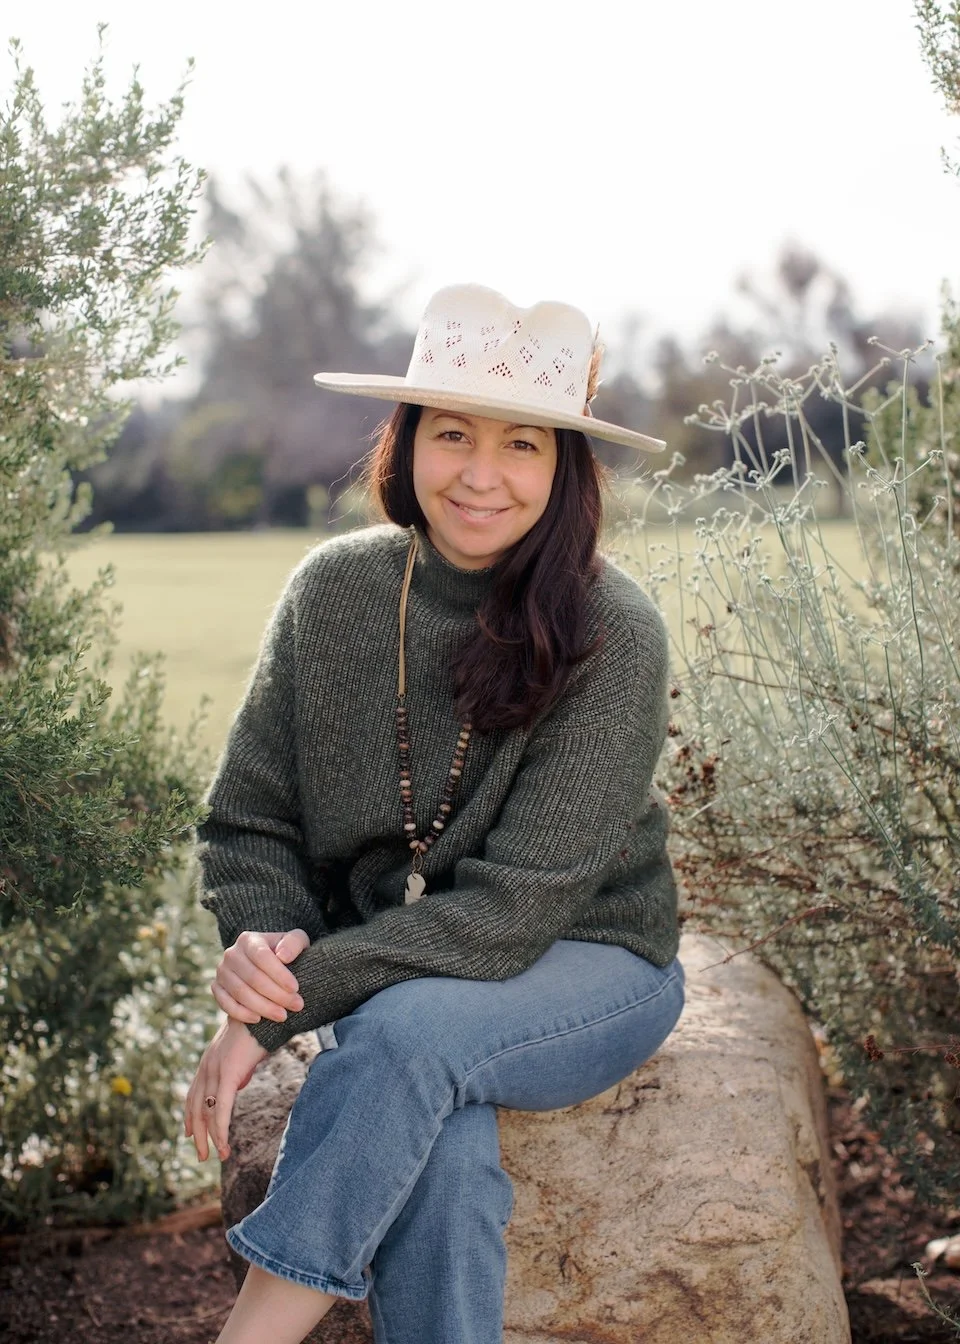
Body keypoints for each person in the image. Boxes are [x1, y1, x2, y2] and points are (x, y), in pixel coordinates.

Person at [184, 282, 686, 1344]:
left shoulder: (614, 635)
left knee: (407, 1033)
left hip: (588, 959)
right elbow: (250, 822)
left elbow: (510, 915)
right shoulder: (335, 594)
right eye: (452, 434)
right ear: (407, 442)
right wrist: (264, 950)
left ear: (564, 471)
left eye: (524, 447)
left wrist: (281, 1010)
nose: (481, 475)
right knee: (440, 1137)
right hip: (405, 972)